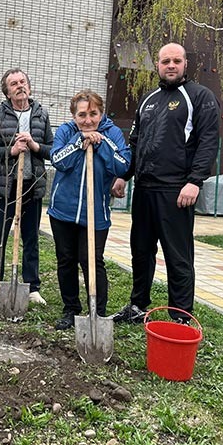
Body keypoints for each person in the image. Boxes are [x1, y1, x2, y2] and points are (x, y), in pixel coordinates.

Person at [111, 42, 220, 325]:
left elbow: (208, 142)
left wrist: (195, 181)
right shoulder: (148, 100)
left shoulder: (200, 97)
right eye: (165, 61)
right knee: (141, 251)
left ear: (185, 64)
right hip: (145, 190)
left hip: (176, 191)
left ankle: (180, 315)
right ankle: (137, 306)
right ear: (157, 65)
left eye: (176, 60)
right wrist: (125, 174)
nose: (170, 65)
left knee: (178, 256)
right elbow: (135, 143)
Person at [48, 90, 131, 330]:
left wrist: (101, 143)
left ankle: (98, 312)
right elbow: (58, 160)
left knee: (91, 259)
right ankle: (71, 309)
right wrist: (78, 143)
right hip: (63, 210)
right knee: (66, 260)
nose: (88, 120)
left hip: (95, 213)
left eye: (93, 114)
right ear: (74, 115)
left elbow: (122, 165)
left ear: (101, 113)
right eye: (82, 114)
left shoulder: (112, 132)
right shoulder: (66, 131)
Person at [0, 68, 53, 306]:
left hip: (32, 185)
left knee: (31, 237)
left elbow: (51, 149)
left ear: (29, 86)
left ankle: (32, 287)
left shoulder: (41, 114)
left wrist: (34, 145)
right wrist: (10, 152)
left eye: (23, 81)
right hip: (6, 186)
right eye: (14, 83)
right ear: (7, 91)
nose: (20, 86)